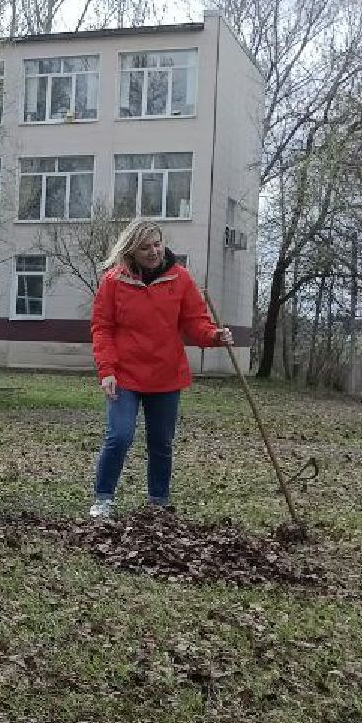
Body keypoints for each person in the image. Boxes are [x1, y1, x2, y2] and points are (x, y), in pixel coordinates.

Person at [87, 217, 233, 518]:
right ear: (131, 250)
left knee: (161, 442)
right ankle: (103, 499)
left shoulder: (180, 278)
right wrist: (107, 371)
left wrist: (214, 337)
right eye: (145, 247)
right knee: (120, 436)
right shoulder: (113, 282)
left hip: (166, 375)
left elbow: (195, 322)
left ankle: (158, 502)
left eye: (157, 244)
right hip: (124, 375)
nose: (154, 252)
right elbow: (102, 328)